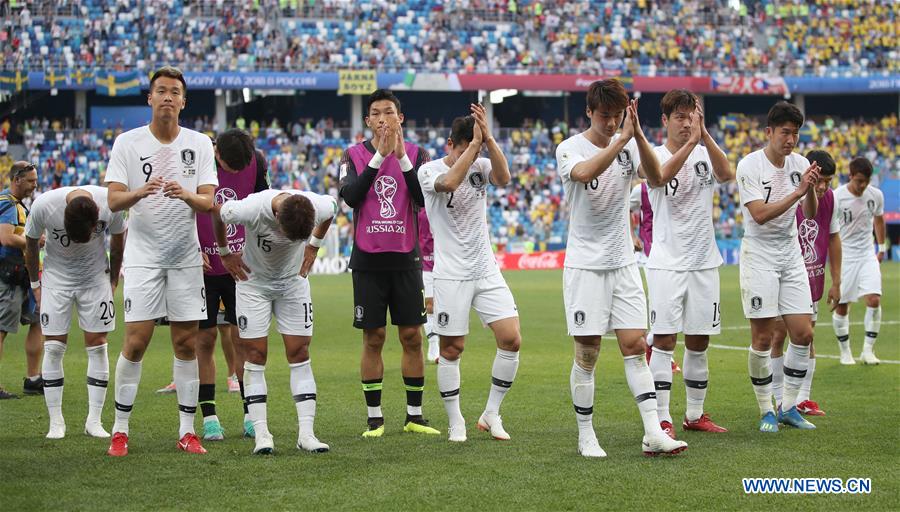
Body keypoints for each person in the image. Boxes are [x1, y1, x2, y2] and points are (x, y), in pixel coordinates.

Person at [556, 79, 687, 458]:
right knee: (588, 351)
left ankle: (652, 432)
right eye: (604, 117)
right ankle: (585, 435)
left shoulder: (629, 142)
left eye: (617, 116)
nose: (611, 123)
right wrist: (619, 141)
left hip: (623, 264)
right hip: (585, 266)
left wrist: (638, 137)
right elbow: (583, 174)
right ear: (589, 113)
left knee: (633, 345)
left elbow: (659, 177)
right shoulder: (570, 148)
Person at [104, 66, 217, 456]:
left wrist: (185, 194)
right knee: (135, 342)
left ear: (184, 101)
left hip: (185, 259)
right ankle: (120, 430)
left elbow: (209, 201)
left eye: (175, 92)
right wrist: (141, 192)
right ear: (150, 98)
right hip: (142, 259)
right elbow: (114, 200)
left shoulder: (200, 143)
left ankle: (187, 431)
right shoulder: (127, 143)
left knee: (186, 343)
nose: (168, 97)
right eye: (161, 91)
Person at [338, 89, 438, 438]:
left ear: (400, 119)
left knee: (412, 336)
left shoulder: (418, 154)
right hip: (367, 260)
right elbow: (349, 196)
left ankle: (415, 416)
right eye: (376, 113)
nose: (383, 119)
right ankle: (375, 419)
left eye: (389, 113)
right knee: (374, 337)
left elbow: (424, 199)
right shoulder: (352, 154)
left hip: (406, 259)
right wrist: (378, 158)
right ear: (367, 120)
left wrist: (400, 158)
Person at [420, 106, 521, 443]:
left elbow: (505, 178)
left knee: (511, 338)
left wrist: (487, 140)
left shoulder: (480, 162)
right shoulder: (428, 170)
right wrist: (473, 147)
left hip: (486, 269)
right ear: (451, 144)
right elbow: (449, 182)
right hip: (451, 274)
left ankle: (491, 413)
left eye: (474, 151)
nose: (472, 155)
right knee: (452, 348)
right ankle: (455, 421)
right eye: (466, 148)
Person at [214, 188, 336, 455]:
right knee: (255, 355)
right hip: (253, 285)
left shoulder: (316, 205)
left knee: (300, 352)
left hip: (293, 284)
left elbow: (333, 208)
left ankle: (307, 434)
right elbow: (218, 212)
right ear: (277, 215)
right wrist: (224, 252)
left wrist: (313, 245)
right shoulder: (249, 208)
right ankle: (262, 434)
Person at [644, 89, 732, 437]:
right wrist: (689, 144)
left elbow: (726, 174)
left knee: (699, 341)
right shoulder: (653, 154)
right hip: (667, 263)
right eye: (679, 116)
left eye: (691, 115)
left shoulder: (705, 152)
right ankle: (662, 417)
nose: (686, 122)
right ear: (665, 121)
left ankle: (694, 415)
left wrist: (704, 136)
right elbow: (659, 177)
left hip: (704, 262)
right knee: (664, 341)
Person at [736, 101, 820, 433]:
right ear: (769, 132)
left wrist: (809, 189)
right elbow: (758, 214)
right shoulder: (750, 165)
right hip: (759, 254)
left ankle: (788, 405)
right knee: (763, 336)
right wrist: (799, 190)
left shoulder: (799, 163)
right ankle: (765, 409)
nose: (791, 140)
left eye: (795, 133)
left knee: (803, 332)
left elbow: (810, 213)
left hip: (790, 252)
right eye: (785, 132)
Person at [24, 185, 125, 438]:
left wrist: (113, 278)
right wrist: (35, 283)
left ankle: (94, 420)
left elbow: (118, 237)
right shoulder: (44, 205)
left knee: (98, 344)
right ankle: (56, 421)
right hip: (57, 280)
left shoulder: (110, 202)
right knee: (54, 346)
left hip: (94, 279)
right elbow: (31, 242)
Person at [196, 128, 270, 441]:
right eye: (229, 168)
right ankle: (209, 416)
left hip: (240, 266)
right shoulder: (198, 162)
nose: (235, 173)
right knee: (204, 339)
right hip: (200, 265)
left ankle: (249, 415)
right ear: (217, 155)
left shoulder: (258, 162)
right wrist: (190, 245)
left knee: (245, 340)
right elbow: (182, 207)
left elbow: (262, 206)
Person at [771, 150, 842, 416]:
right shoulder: (789, 193)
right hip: (782, 273)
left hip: (812, 277)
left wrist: (836, 281)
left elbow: (833, 237)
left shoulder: (831, 199)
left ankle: (802, 399)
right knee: (778, 335)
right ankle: (778, 399)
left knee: (806, 337)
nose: (823, 186)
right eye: (819, 179)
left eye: (829, 181)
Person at [832, 157, 885, 365]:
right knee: (843, 306)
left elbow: (879, 220)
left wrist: (881, 248)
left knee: (874, 300)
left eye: (866, 181)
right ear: (851, 176)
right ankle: (845, 352)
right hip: (845, 256)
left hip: (866, 254)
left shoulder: (876, 195)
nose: (863, 185)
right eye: (859, 180)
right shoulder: (837, 197)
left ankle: (868, 351)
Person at [0, 161, 42, 399]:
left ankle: (33, 379)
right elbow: (5, 238)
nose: (34, 185)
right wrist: (33, 241)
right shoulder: (7, 204)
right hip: (8, 275)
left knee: (38, 321)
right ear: (16, 179)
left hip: (22, 274)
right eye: (30, 181)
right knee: (1, 329)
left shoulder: (15, 204)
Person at [418, 207, 439, 363]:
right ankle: (433, 344)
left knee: (444, 306)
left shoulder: (442, 203)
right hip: (425, 262)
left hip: (445, 262)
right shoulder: (418, 208)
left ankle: (444, 342)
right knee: (429, 305)